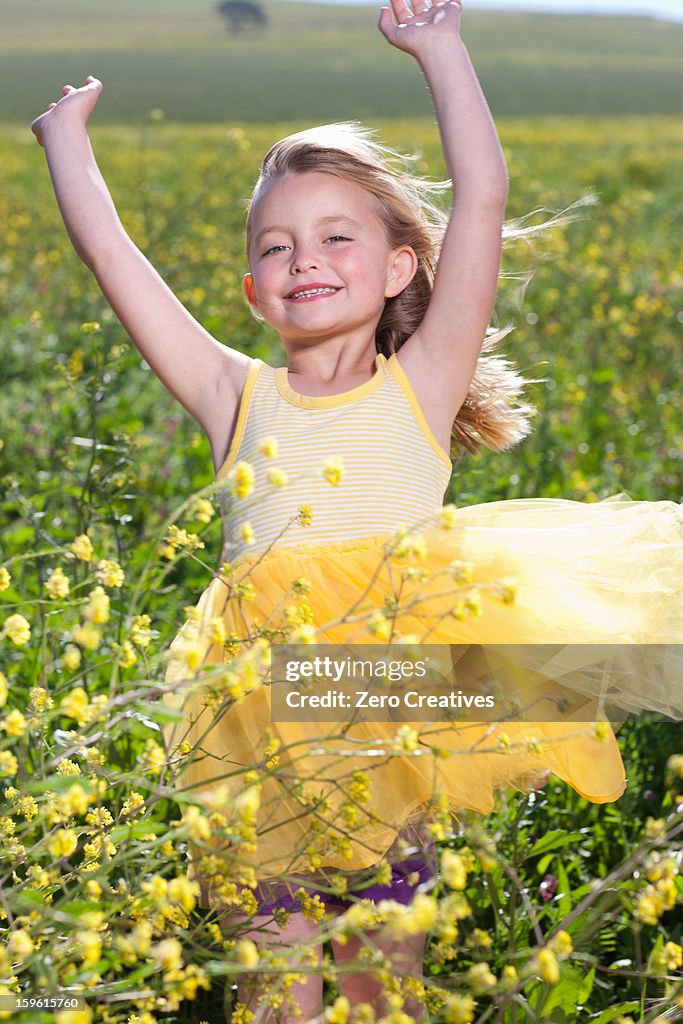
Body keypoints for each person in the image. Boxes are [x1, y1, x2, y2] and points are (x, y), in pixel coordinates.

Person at [32, 0, 682, 1019]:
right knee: (279, 980)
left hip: (387, 694)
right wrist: (65, 143)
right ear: (251, 288)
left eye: (336, 237)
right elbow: (117, 264)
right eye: (279, 247)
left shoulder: (418, 386)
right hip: (255, 710)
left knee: (383, 973)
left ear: (396, 269)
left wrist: (440, 49)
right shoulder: (230, 392)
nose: (305, 260)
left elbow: (480, 200)